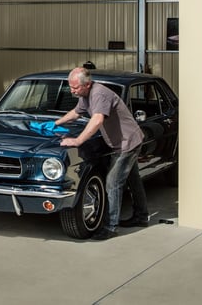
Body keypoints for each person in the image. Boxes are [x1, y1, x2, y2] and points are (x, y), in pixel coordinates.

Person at [54, 67, 150, 240]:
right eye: (71, 86)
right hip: (122, 142)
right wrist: (56, 123)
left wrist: (77, 141)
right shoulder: (85, 96)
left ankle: (110, 226)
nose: (72, 90)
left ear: (87, 84)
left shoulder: (99, 94)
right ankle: (141, 217)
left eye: (75, 87)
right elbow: (76, 113)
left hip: (127, 143)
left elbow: (97, 120)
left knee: (113, 183)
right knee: (133, 180)